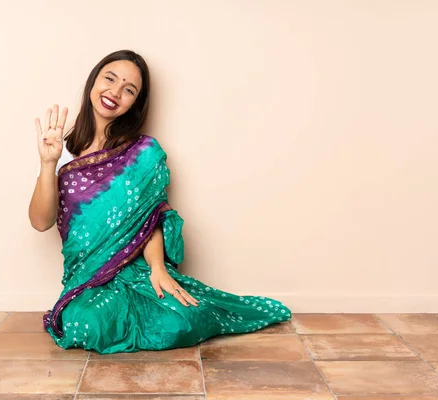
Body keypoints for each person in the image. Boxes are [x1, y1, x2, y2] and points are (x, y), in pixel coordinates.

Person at [29, 50, 291, 354]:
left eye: (129, 90)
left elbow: (151, 217)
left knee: (183, 320)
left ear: (135, 104)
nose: (115, 92)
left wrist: (157, 269)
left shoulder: (143, 153)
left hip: (136, 269)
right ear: (93, 81)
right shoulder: (59, 146)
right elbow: (40, 221)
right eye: (109, 79)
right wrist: (48, 163)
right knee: (86, 324)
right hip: (88, 280)